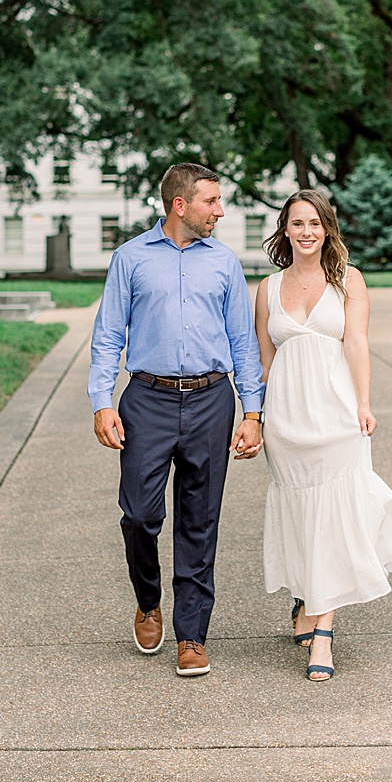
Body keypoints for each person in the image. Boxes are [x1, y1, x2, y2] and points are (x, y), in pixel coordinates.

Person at [90, 163, 266, 678]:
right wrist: (103, 401)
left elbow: (242, 342)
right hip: (147, 398)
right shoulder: (131, 258)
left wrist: (252, 411)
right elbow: (107, 335)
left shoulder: (226, 264)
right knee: (139, 515)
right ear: (180, 205)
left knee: (199, 519)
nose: (221, 210)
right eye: (211, 201)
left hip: (213, 399)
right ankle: (148, 601)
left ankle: (192, 634)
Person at [255, 188, 392, 681]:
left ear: (327, 230)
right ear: (285, 229)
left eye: (315, 224)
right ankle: (308, 599)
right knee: (303, 514)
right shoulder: (266, 287)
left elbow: (358, 342)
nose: (306, 232)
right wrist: (256, 418)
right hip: (287, 418)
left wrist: (363, 405)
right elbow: (264, 360)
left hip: (337, 414)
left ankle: (323, 631)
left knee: (336, 515)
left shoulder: (349, 280)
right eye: (297, 223)